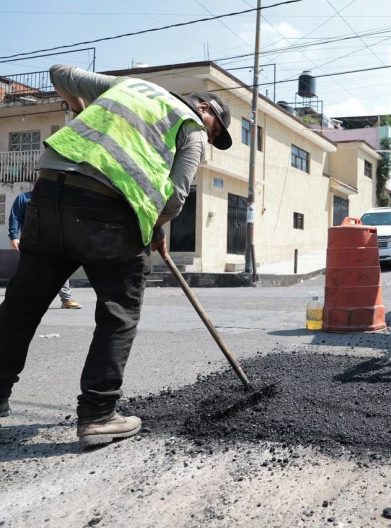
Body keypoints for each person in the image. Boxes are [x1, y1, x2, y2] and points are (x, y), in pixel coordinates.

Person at [0, 65, 232, 444]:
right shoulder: (190, 128)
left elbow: (59, 73)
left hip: (49, 193)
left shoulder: (130, 87)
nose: (209, 136)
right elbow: (175, 196)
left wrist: (79, 108)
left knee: (22, 304)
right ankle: (98, 414)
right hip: (107, 210)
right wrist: (154, 227)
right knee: (118, 312)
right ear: (204, 109)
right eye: (214, 130)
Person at [8, 191, 81, 309]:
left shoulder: (53, 198)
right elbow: (15, 217)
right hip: (31, 241)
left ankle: (66, 299)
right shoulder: (23, 198)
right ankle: (20, 299)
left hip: (54, 240)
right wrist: (14, 236)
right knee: (27, 271)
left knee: (60, 268)